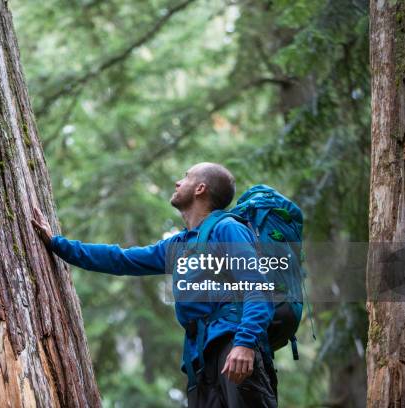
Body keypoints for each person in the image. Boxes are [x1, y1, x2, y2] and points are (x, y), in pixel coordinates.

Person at [31, 162, 278, 407]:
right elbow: (121, 259)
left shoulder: (227, 229)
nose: (178, 182)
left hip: (232, 346)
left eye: (186, 176)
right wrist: (57, 244)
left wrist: (245, 343)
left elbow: (259, 288)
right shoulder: (178, 245)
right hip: (200, 359)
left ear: (200, 189)